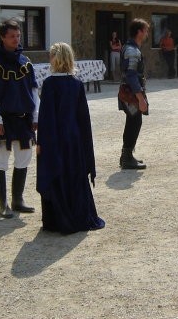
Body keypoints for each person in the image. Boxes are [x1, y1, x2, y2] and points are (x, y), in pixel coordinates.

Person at [36, 42, 105, 233]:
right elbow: (83, 118)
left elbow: (45, 117)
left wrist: (41, 142)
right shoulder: (76, 84)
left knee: (56, 175)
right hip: (73, 139)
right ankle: (77, 214)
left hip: (54, 139)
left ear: (56, 59)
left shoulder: (50, 84)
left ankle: (57, 220)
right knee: (73, 176)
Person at [0, 19, 39, 218]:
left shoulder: (25, 63)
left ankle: (17, 200)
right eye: (12, 36)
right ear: (2, 37)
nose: (16, 39)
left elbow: (34, 91)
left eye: (18, 36)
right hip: (2, 121)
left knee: (23, 157)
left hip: (23, 119)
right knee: (1, 158)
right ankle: (3, 204)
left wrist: (35, 115)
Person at [118, 18, 150, 170]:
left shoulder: (131, 47)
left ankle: (126, 156)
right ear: (139, 32)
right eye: (145, 30)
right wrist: (140, 98)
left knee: (133, 122)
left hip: (129, 93)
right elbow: (131, 75)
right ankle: (127, 158)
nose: (147, 33)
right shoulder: (132, 50)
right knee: (134, 122)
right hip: (130, 95)